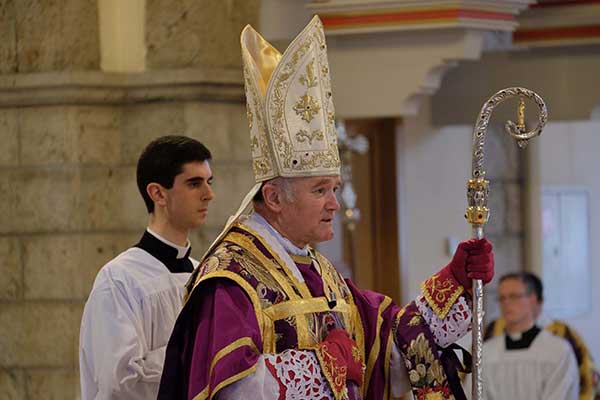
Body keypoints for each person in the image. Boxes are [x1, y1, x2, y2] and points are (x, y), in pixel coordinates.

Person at [158, 16, 494, 400]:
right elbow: (230, 389)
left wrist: (455, 283)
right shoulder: (233, 279)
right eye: (320, 190)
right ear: (274, 197)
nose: (334, 203)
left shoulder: (321, 273)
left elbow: (394, 351)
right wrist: (323, 365)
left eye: (335, 188)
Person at [79, 135, 214, 400]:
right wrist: (200, 352)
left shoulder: (204, 274)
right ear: (158, 193)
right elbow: (120, 382)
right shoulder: (120, 279)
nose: (209, 195)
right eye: (194, 183)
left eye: (210, 182)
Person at [484, 272, 599, 400]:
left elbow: (580, 383)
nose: (506, 303)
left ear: (533, 299)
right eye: (502, 298)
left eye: (514, 296)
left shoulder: (559, 347)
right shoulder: (487, 348)